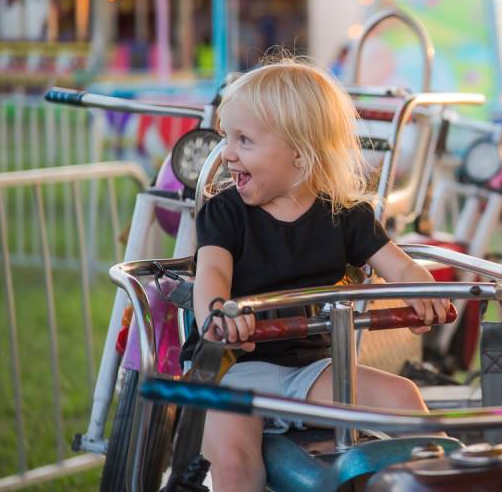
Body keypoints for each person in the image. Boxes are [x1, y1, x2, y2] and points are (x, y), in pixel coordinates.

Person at [183, 56, 449, 492]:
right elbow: (211, 271)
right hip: (236, 367)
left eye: (244, 140)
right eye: (227, 137)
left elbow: (397, 263)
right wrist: (219, 314)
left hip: (312, 369)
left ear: (300, 153)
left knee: (404, 397)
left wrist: (423, 292)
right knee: (233, 465)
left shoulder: (345, 216)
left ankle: (453, 481)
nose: (227, 153)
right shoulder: (225, 212)